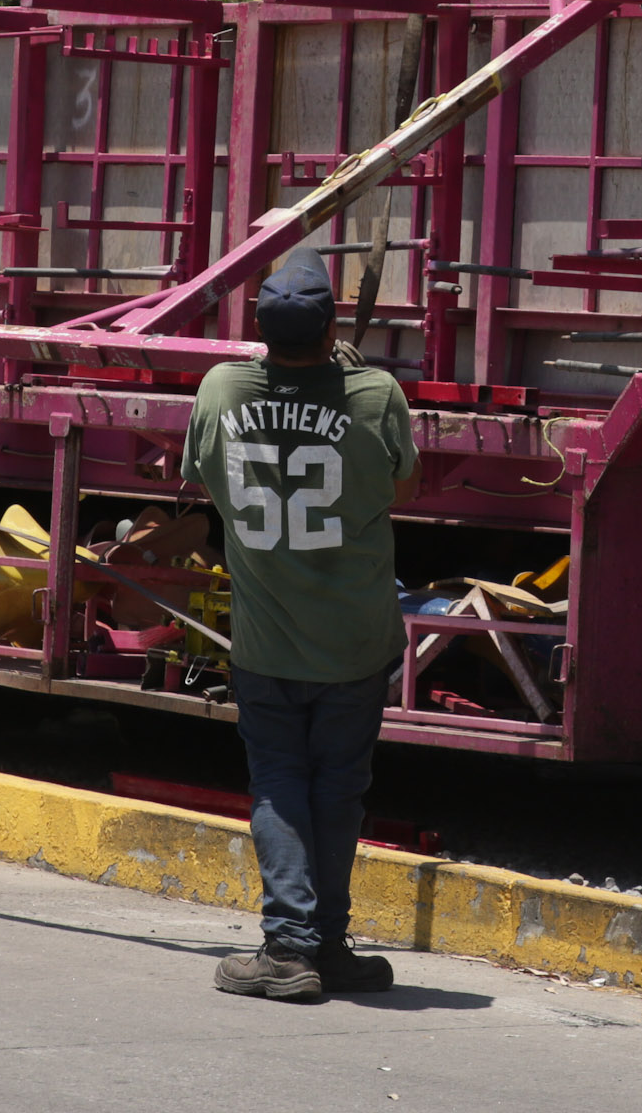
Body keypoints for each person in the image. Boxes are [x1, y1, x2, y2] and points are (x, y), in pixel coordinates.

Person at [183, 246, 419, 1002]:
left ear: (262, 330)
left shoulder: (222, 386)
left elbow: (198, 469)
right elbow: (403, 481)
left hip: (267, 642)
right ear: (328, 332)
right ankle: (330, 945)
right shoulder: (375, 393)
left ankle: (289, 946)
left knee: (279, 783)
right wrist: (338, 378)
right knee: (340, 789)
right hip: (356, 641)